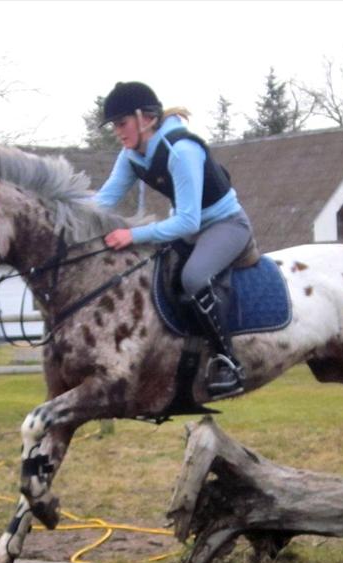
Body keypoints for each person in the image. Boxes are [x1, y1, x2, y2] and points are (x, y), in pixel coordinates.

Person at [93, 80, 254, 399]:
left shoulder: (181, 151)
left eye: (122, 123)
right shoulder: (131, 155)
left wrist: (132, 234)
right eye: (114, 125)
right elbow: (104, 200)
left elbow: (187, 220)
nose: (118, 131)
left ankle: (227, 362)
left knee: (194, 277)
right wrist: (64, 215)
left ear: (146, 118)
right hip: (191, 232)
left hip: (226, 225)